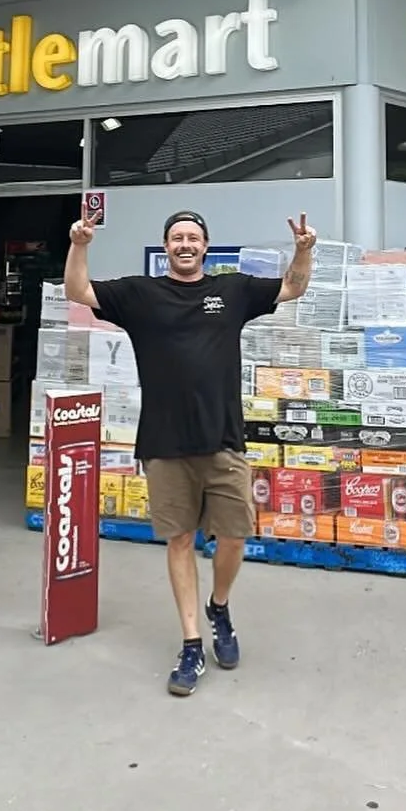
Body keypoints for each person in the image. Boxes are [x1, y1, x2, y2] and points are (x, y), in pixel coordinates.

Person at [64, 208, 317, 696]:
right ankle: (191, 643)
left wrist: (304, 250)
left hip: (223, 438)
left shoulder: (233, 290)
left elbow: (292, 288)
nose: (185, 244)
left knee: (234, 537)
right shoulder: (140, 294)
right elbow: (79, 292)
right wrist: (80, 243)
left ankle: (218, 605)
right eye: (177, 237)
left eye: (193, 237)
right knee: (179, 540)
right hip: (164, 442)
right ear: (166, 246)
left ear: (206, 246)